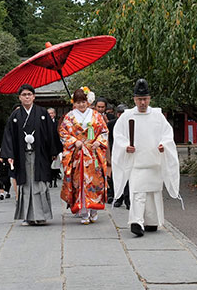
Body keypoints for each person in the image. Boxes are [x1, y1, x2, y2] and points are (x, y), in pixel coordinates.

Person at [112, 79, 181, 237]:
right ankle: (136, 221)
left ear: (149, 99)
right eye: (139, 99)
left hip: (154, 161)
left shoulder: (157, 115)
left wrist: (164, 144)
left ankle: (151, 221)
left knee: (153, 193)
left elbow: (167, 134)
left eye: (145, 99)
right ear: (134, 99)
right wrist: (125, 146)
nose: (142, 102)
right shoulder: (127, 116)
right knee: (138, 192)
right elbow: (118, 135)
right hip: (137, 162)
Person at [0, 84, 63, 226]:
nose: (27, 97)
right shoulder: (15, 115)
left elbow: (51, 133)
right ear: (20, 97)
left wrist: (53, 151)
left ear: (34, 96)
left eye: (29, 94)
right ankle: (27, 216)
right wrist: (9, 154)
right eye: (24, 95)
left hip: (40, 154)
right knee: (25, 185)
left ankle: (41, 215)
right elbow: (8, 135)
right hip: (22, 156)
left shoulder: (42, 113)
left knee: (40, 184)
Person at [59, 88, 109, 224]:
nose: (81, 105)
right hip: (78, 154)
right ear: (74, 103)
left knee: (95, 181)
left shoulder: (96, 115)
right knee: (79, 182)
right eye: (78, 102)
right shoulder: (69, 117)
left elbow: (104, 131)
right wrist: (75, 142)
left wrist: (98, 142)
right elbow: (63, 133)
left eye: (83, 102)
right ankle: (84, 212)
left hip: (93, 153)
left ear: (88, 102)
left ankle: (94, 210)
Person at [110, 103, 130, 208]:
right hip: (116, 153)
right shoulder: (112, 124)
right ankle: (117, 198)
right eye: (121, 113)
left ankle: (127, 199)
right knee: (116, 176)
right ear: (117, 114)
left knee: (127, 177)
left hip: (128, 154)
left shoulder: (131, 124)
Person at [46, 107, 61, 188]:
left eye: (52, 113)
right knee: (48, 165)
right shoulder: (44, 123)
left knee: (56, 165)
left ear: (54, 114)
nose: (51, 115)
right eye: (49, 113)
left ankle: (55, 180)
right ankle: (50, 180)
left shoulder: (58, 123)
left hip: (57, 146)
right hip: (47, 148)